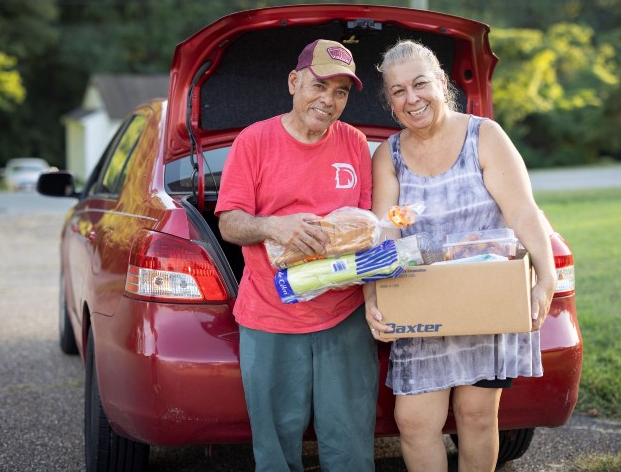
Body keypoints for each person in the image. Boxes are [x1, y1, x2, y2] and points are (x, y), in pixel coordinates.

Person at [363, 39, 557, 472]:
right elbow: (383, 232)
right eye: (398, 91)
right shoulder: (388, 155)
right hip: (422, 304)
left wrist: (544, 278)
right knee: (413, 422)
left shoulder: (484, 135)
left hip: (484, 300)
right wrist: (372, 297)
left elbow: (523, 210)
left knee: (475, 415)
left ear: (441, 84)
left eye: (419, 84)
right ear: (390, 102)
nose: (411, 98)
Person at [215, 39, 378, 472]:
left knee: (351, 448)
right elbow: (229, 223)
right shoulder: (254, 141)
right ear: (294, 82)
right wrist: (272, 225)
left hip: (344, 315)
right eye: (319, 86)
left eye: (340, 92)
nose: (328, 100)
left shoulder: (355, 144)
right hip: (271, 314)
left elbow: (366, 227)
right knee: (275, 450)